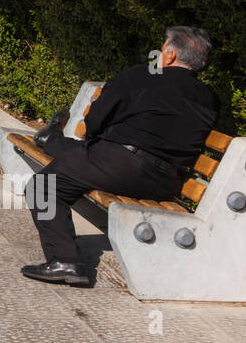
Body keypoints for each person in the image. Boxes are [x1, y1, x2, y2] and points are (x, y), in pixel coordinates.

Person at [20, 26, 220, 287]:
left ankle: (64, 259)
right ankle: (52, 140)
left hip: (119, 165)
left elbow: (95, 120)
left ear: (169, 55)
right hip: (166, 182)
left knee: (42, 187)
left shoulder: (143, 76)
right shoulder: (210, 99)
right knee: (77, 153)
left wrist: (102, 139)